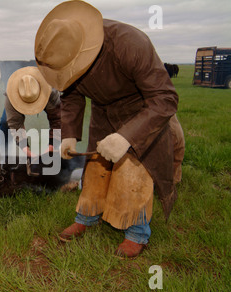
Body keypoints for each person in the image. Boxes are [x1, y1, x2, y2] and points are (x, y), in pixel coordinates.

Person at [34, 1, 185, 259]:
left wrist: (127, 136)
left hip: (142, 112)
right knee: (95, 168)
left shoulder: (131, 43)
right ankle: (87, 216)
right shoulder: (65, 52)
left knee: (134, 171)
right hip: (103, 114)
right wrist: (70, 133)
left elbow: (165, 98)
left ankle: (137, 232)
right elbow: (71, 95)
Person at [2, 66, 61, 160]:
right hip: (15, 100)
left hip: (47, 93)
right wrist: (26, 150)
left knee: (65, 124)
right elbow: (15, 123)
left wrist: (51, 146)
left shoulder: (51, 92)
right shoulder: (11, 96)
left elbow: (58, 120)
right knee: (4, 123)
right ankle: (3, 154)